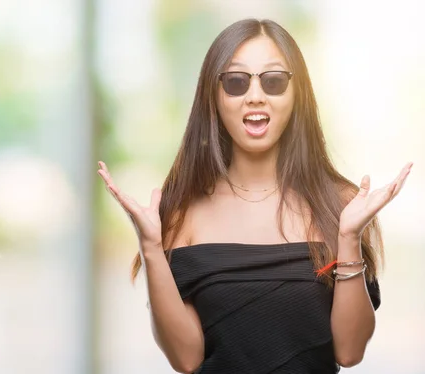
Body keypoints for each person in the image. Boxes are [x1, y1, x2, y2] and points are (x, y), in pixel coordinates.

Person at [97, 18, 412, 373]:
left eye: (274, 81)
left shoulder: (340, 204)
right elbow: (185, 360)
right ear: (213, 97)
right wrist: (151, 248)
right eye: (236, 82)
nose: (255, 96)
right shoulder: (178, 216)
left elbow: (350, 351)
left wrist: (350, 237)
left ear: (297, 95)